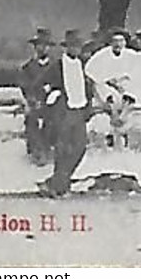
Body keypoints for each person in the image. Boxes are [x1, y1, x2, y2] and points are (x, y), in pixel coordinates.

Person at [39, 30, 92, 197]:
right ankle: (59, 186)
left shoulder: (82, 64)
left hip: (79, 110)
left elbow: (88, 87)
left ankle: (56, 182)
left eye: (78, 47)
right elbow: (39, 85)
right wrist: (51, 96)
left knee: (80, 147)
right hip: (63, 111)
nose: (76, 50)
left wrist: (87, 108)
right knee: (62, 148)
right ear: (66, 47)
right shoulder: (57, 66)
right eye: (73, 46)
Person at [84, 29, 141, 141]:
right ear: (110, 43)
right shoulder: (102, 54)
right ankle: (114, 113)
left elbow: (138, 74)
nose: (118, 44)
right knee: (99, 86)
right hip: (108, 88)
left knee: (133, 88)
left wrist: (124, 79)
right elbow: (89, 70)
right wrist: (108, 80)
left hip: (125, 88)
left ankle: (123, 114)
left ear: (125, 43)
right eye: (115, 41)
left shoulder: (132, 55)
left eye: (121, 41)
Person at [19, 28, 57, 164]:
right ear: (35, 47)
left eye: (45, 45)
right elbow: (25, 86)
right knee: (31, 120)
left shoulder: (56, 66)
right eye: (39, 45)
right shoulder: (28, 67)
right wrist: (32, 99)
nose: (43, 48)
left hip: (53, 103)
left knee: (53, 120)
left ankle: (49, 150)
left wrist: (51, 93)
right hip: (35, 102)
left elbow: (59, 84)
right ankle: (36, 151)